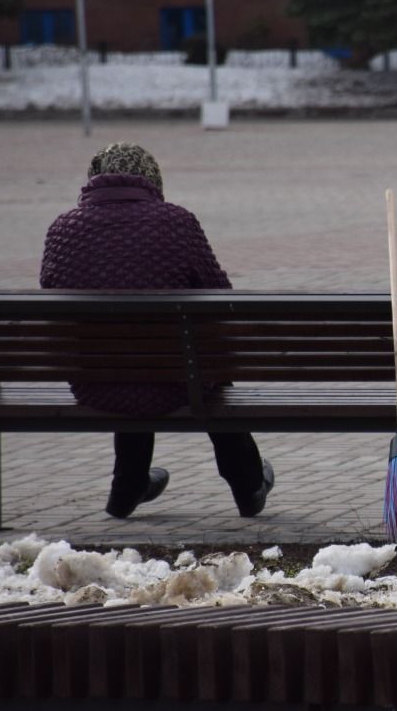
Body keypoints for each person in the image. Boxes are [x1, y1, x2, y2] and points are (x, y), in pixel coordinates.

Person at [40, 142, 275, 520]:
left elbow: (51, 299)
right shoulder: (176, 222)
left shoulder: (63, 229)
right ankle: (247, 483)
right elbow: (220, 296)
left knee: (129, 362)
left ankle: (127, 486)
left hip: (96, 381)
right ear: (151, 178)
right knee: (196, 368)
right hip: (177, 378)